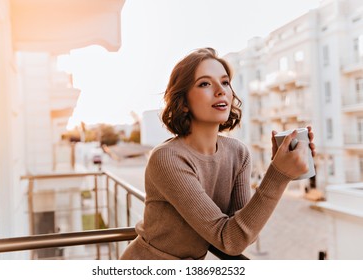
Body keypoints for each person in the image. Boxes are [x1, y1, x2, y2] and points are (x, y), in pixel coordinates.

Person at [120, 47, 316, 260]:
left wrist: (281, 167)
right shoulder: (167, 158)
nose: (221, 90)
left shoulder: (238, 153)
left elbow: (242, 234)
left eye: (225, 82)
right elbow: (230, 240)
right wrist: (278, 174)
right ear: (183, 102)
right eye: (205, 83)